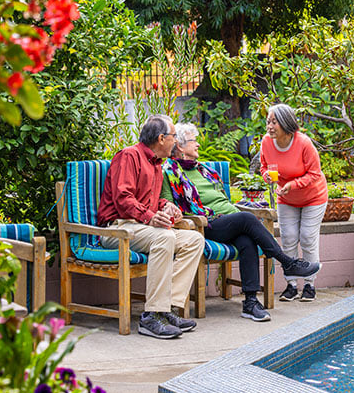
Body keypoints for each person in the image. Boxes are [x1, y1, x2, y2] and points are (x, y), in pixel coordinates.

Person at [161, 122, 321, 323]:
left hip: (229, 220)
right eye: (194, 141)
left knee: (246, 240)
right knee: (246, 219)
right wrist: (169, 208)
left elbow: (222, 199)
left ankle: (250, 302)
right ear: (181, 147)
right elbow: (167, 202)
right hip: (206, 225)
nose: (198, 145)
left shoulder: (203, 169)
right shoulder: (169, 172)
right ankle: (287, 262)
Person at [97, 115, 205, 340]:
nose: (176, 142)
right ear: (161, 138)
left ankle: (169, 309)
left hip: (140, 227)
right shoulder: (129, 156)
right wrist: (150, 217)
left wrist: (166, 207)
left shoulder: (157, 164)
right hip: (117, 228)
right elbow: (123, 199)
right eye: (174, 137)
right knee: (164, 237)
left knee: (194, 240)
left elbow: (151, 201)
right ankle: (151, 316)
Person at [260, 104, 328, 302]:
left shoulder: (303, 143)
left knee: (307, 237)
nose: (269, 126)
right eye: (268, 122)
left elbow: (315, 173)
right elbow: (264, 166)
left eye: (274, 122)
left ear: (286, 123)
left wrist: (294, 184)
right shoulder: (266, 142)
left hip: (313, 197)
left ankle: (309, 284)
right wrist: (266, 176)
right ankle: (291, 285)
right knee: (288, 237)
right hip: (286, 196)